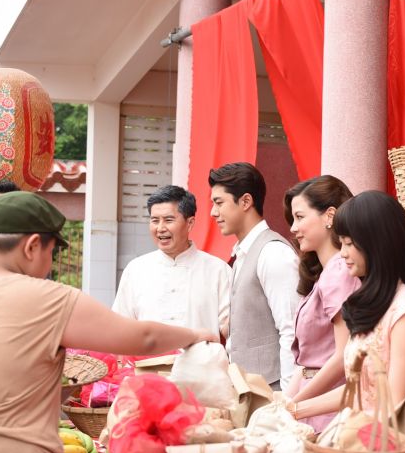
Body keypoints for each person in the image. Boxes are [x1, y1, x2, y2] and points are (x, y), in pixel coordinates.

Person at [0, 191, 216, 453]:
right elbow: (141, 337)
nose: (50, 263)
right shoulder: (48, 300)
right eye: (52, 252)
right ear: (32, 246)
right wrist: (194, 334)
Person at [286, 190, 405, 453]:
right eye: (341, 242)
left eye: (349, 243)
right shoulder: (377, 305)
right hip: (360, 449)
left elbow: (392, 406)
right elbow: (360, 392)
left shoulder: (404, 313)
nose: (342, 253)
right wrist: (293, 410)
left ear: (377, 243)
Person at [209, 162, 300, 391]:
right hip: (249, 390)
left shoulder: (273, 252)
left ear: (246, 202)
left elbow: (291, 331)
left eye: (219, 203)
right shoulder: (243, 253)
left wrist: (287, 398)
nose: (213, 212)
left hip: (274, 391)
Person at [282, 176, 360, 431]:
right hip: (314, 403)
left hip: (327, 409)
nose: (293, 228)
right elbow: (309, 363)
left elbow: (343, 357)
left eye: (300, 217)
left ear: (329, 216)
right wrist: (286, 402)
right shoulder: (328, 272)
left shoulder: (338, 272)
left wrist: (293, 405)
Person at [113, 185, 231, 342]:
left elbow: (234, 330)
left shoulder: (218, 270)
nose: (160, 228)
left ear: (190, 223)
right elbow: (121, 328)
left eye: (168, 220)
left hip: (201, 358)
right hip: (149, 358)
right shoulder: (136, 270)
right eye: (155, 220)